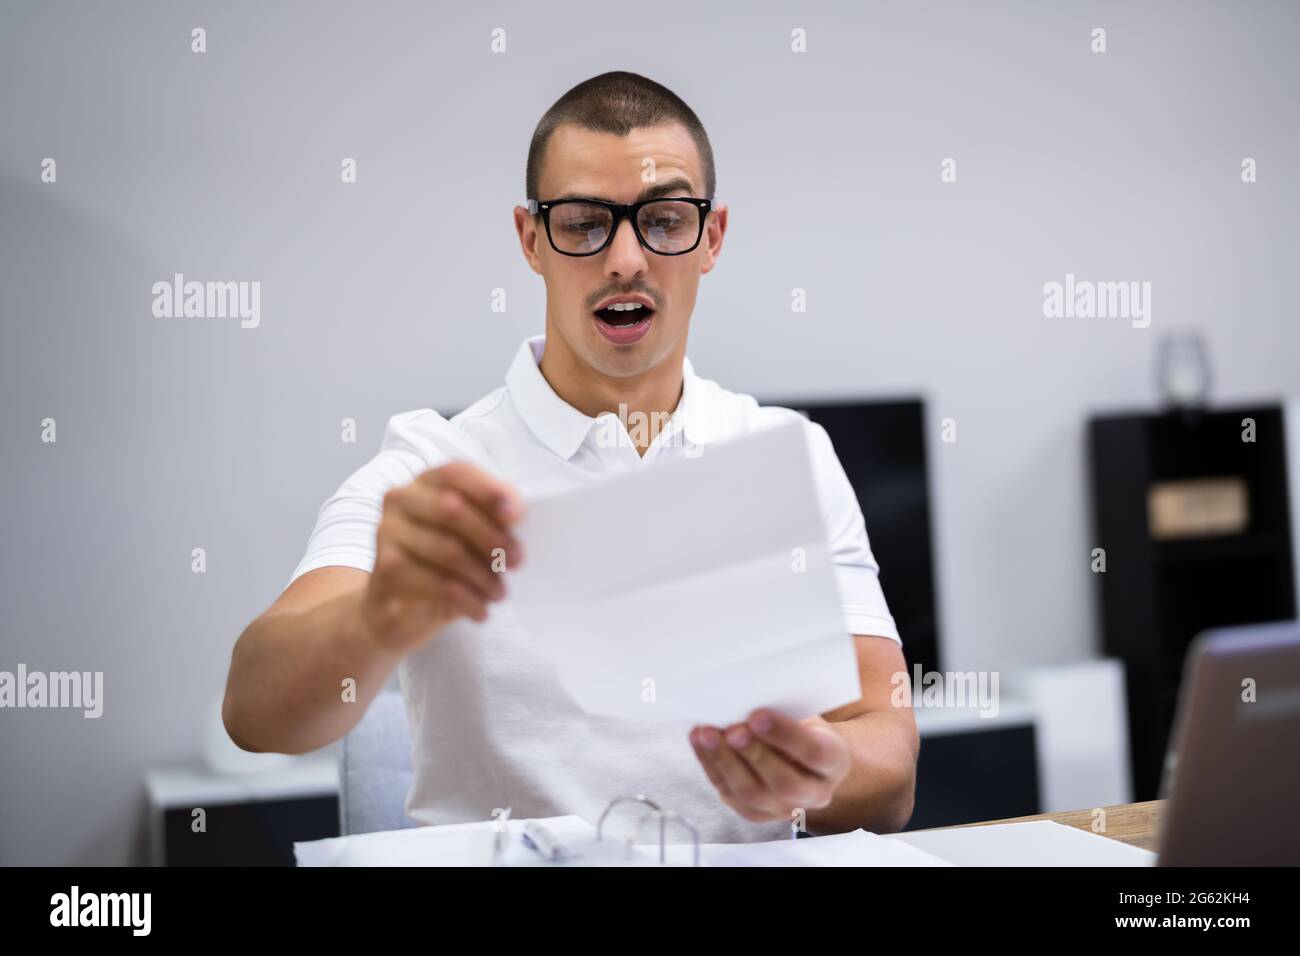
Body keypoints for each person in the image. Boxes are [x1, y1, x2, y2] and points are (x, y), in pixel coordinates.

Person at [222, 71, 918, 842]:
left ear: (711, 237)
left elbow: (889, 762)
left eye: (664, 218)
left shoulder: (788, 456)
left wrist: (824, 772)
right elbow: (255, 713)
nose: (626, 258)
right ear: (531, 240)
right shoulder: (433, 465)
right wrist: (380, 613)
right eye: (585, 222)